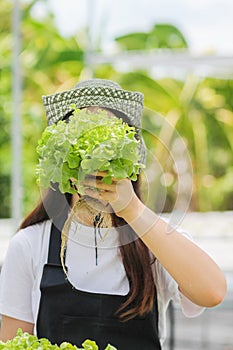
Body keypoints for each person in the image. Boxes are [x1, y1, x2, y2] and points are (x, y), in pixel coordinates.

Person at [0, 79, 226, 349]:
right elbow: (13, 342)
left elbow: (212, 292)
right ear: (61, 161)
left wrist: (130, 208)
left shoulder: (154, 241)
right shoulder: (30, 245)